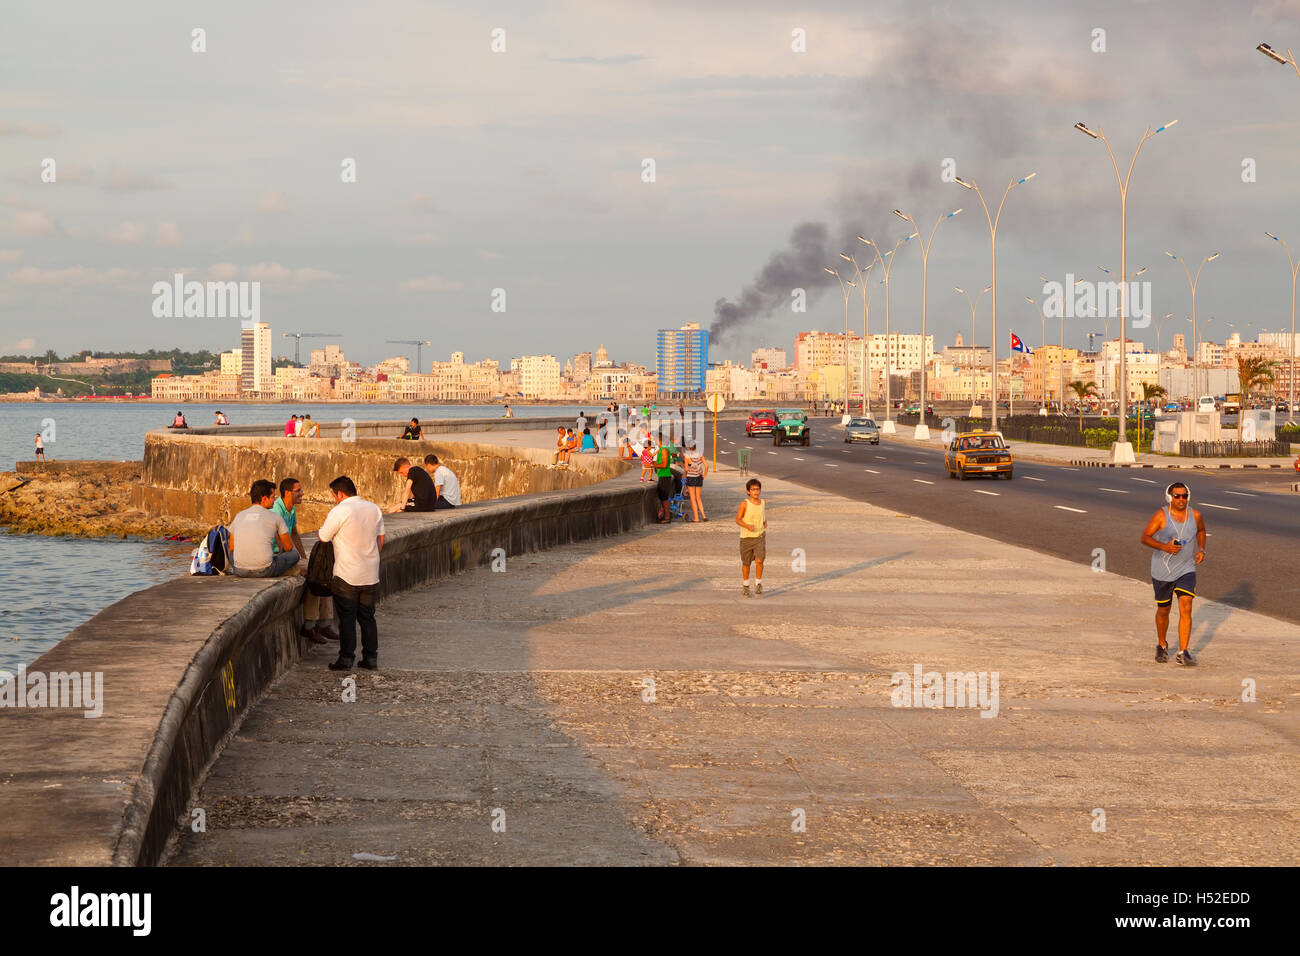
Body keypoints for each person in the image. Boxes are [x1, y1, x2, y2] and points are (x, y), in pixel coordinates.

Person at [317, 475, 385, 671]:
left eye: (334, 495)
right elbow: (381, 538)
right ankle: (370, 658)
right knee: (367, 617)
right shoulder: (373, 508)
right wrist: (370, 558)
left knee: (347, 618)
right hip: (370, 572)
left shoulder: (340, 510)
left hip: (347, 574)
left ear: (339, 493)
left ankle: (346, 658)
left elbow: (323, 537)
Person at [1140, 482, 1206, 666]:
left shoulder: (1196, 515)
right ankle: (1162, 644)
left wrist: (1201, 549)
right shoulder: (1161, 516)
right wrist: (1165, 547)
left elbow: (1201, 531)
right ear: (1170, 497)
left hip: (1186, 568)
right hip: (1163, 570)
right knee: (1164, 610)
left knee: (1186, 606)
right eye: (1177, 496)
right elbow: (1144, 537)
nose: (1181, 499)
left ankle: (1183, 651)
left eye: (1184, 496)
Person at [273, 477, 333, 645]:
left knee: (323, 571)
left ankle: (325, 622)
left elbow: (294, 534)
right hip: (278, 556)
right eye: (298, 490)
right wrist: (294, 560)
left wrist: (305, 559)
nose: (302, 493)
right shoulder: (276, 510)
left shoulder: (291, 510)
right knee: (313, 576)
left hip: (288, 555)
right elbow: (278, 539)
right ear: (287, 493)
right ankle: (309, 625)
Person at [229, 479, 301, 578]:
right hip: (264, 570)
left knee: (232, 554)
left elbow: (232, 547)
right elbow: (288, 547)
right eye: (272, 497)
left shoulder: (239, 516)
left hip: (239, 570)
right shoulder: (275, 517)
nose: (275, 500)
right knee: (294, 555)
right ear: (264, 499)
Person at [736, 477, 767, 597]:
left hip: (759, 536)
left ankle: (758, 583)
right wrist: (747, 526)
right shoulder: (745, 504)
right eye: (753, 489)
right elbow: (738, 519)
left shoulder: (763, 503)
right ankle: (746, 585)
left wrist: (765, 521)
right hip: (746, 538)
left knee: (760, 560)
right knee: (746, 563)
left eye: (758, 489)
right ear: (748, 491)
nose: (756, 492)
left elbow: (762, 515)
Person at [684, 442, 709, 522]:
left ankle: (696, 518)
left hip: (691, 478)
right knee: (698, 497)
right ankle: (704, 516)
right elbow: (707, 466)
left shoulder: (687, 456)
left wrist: (690, 466)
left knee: (693, 498)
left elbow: (686, 469)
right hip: (699, 477)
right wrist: (704, 475)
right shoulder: (700, 454)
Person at [653, 436, 675, 522]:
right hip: (662, 475)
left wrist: (652, 465)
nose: (655, 441)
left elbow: (664, 465)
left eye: (656, 439)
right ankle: (666, 516)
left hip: (665, 476)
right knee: (663, 497)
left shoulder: (664, 450)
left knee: (665, 498)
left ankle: (667, 518)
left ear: (660, 440)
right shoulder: (661, 449)